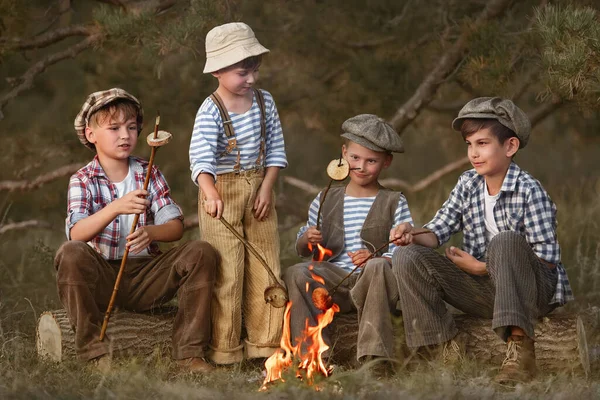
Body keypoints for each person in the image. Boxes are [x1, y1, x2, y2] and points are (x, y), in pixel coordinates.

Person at [390, 97, 573, 383]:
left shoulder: (528, 190)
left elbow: (547, 261)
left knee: (505, 240)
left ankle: (520, 350)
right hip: (486, 292)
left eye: (483, 143)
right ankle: (441, 347)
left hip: (531, 292)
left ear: (510, 146)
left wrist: (483, 268)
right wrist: (412, 233)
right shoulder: (468, 183)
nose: (473, 153)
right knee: (406, 255)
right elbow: (438, 229)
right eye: (469, 144)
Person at [55, 88, 217, 373]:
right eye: (114, 128)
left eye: (131, 128)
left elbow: (176, 227)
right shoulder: (82, 179)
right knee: (70, 253)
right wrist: (116, 207)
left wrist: (152, 233)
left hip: (146, 275)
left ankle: (189, 353)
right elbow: (77, 234)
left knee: (201, 251)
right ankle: (93, 354)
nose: (125, 135)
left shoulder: (148, 172)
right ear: (91, 135)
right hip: (103, 276)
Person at [189, 22, 287, 365]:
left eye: (255, 71)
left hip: (259, 189)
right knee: (228, 270)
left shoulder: (264, 102)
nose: (252, 80)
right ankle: (226, 349)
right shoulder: (210, 109)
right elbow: (200, 160)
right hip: (221, 192)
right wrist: (210, 192)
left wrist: (266, 187)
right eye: (244, 72)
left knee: (267, 265)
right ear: (218, 70)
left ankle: (265, 343)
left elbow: (275, 149)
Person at [283, 114, 412, 367]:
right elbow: (303, 245)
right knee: (298, 272)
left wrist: (376, 257)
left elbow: (403, 249)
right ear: (343, 154)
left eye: (371, 160)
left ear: (386, 162)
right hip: (333, 282)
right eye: (355, 158)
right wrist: (307, 239)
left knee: (377, 266)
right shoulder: (325, 198)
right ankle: (311, 356)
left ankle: (375, 358)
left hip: (374, 284)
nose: (361, 166)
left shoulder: (394, 201)